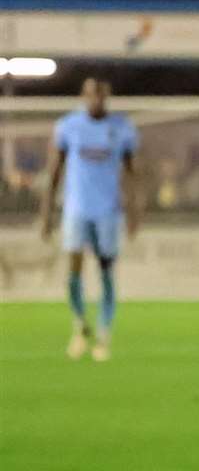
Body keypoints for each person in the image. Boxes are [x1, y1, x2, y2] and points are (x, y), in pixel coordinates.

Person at [38, 79, 140, 362]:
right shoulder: (68, 126)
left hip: (108, 212)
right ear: (83, 96)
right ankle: (80, 325)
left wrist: (134, 212)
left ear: (106, 96)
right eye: (91, 94)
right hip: (76, 210)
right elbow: (54, 172)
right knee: (73, 271)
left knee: (106, 272)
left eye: (100, 95)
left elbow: (132, 173)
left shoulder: (121, 129)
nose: (96, 99)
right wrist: (46, 214)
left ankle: (104, 334)